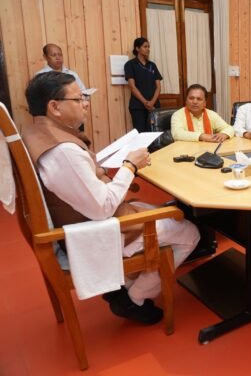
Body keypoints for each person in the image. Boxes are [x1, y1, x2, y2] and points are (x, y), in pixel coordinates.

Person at [21, 72, 199, 325]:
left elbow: (76, 181)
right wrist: (129, 165)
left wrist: (100, 171)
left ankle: (125, 283)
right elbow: (103, 208)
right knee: (189, 231)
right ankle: (135, 297)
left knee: (159, 209)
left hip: (78, 219)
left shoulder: (36, 132)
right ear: (55, 107)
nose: (85, 103)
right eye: (79, 98)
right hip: (94, 230)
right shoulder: (64, 151)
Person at [124, 37, 162, 133]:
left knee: (154, 133)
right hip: (138, 107)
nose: (148, 49)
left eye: (148, 47)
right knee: (140, 133)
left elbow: (158, 87)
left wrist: (152, 102)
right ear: (137, 48)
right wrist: (145, 103)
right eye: (145, 47)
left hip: (154, 106)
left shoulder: (152, 65)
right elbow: (132, 87)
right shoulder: (130, 64)